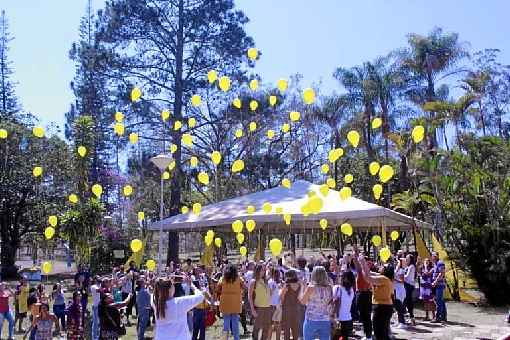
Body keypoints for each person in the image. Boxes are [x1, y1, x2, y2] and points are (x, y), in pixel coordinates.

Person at [358, 254, 394, 340]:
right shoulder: (383, 277)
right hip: (383, 307)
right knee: (382, 332)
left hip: (382, 307)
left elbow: (368, 277)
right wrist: (361, 263)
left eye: (383, 266)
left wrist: (363, 262)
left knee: (380, 333)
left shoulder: (383, 279)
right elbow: (368, 273)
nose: (380, 267)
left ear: (386, 270)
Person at [299, 266, 332, 340]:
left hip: (311, 319)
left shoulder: (311, 287)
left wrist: (303, 286)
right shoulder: (329, 287)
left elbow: (302, 302)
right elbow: (329, 302)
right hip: (325, 319)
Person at [216, 263, 244, 340]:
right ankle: (236, 338)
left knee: (226, 323)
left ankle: (225, 339)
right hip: (236, 302)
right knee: (235, 323)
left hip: (225, 302)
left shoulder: (223, 278)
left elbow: (218, 289)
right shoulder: (239, 278)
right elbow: (244, 286)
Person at [352, 249, 373, 340]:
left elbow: (357, 264)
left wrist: (356, 255)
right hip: (365, 294)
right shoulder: (365, 269)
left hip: (363, 294)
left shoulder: (364, 268)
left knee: (366, 316)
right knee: (365, 316)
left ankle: (368, 335)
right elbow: (356, 263)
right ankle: (368, 334)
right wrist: (356, 255)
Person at [249, 263, 273, 340]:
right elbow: (249, 296)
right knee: (256, 328)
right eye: (262, 270)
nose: (264, 271)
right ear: (257, 270)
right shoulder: (253, 281)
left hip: (268, 308)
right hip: (259, 308)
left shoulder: (266, 281)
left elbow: (269, 294)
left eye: (264, 270)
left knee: (266, 328)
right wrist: (252, 310)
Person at [332, 271, 355, 340]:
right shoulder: (351, 290)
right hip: (347, 317)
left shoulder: (338, 288)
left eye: (341, 276)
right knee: (344, 337)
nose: (340, 277)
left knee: (334, 337)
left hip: (338, 317)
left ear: (344, 278)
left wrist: (333, 314)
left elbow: (336, 302)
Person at [280, 269, 301, 340]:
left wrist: (281, 305)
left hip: (287, 309)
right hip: (296, 309)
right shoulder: (299, 285)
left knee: (286, 330)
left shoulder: (287, 285)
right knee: (295, 329)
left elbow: (281, 297)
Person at [431, 251, 447, 322]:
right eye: (432, 256)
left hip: (439, 285)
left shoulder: (440, 263)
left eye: (434, 256)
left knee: (439, 301)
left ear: (437, 256)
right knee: (441, 301)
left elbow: (441, 273)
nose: (432, 257)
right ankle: (443, 317)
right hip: (437, 285)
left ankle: (438, 317)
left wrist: (435, 281)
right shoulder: (435, 264)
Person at [268, 267, 282, 340]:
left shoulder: (272, 282)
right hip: (275, 306)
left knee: (273, 324)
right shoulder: (275, 282)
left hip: (274, 305)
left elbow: (270, 294)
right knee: (275, 324)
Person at [393, 257, 407, 328]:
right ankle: (399, 321)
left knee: (400, 306)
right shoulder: (395, 270)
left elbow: (402, 281)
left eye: (398, 262)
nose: (396, 263)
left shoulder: (401, 270)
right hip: (396, 289)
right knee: (397, 306)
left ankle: (402, 322)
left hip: (400, 290)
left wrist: (394, 279)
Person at [404, 254, 416, 325]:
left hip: (409, 285)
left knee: (408, 301)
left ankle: (412, 317)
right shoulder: (407, 266)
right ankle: (410, 317)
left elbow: (407, 276)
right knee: (407, 301)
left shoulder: (412, 267)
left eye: (407, 258)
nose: (406, 259)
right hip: (406, 285)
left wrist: (401, 276)